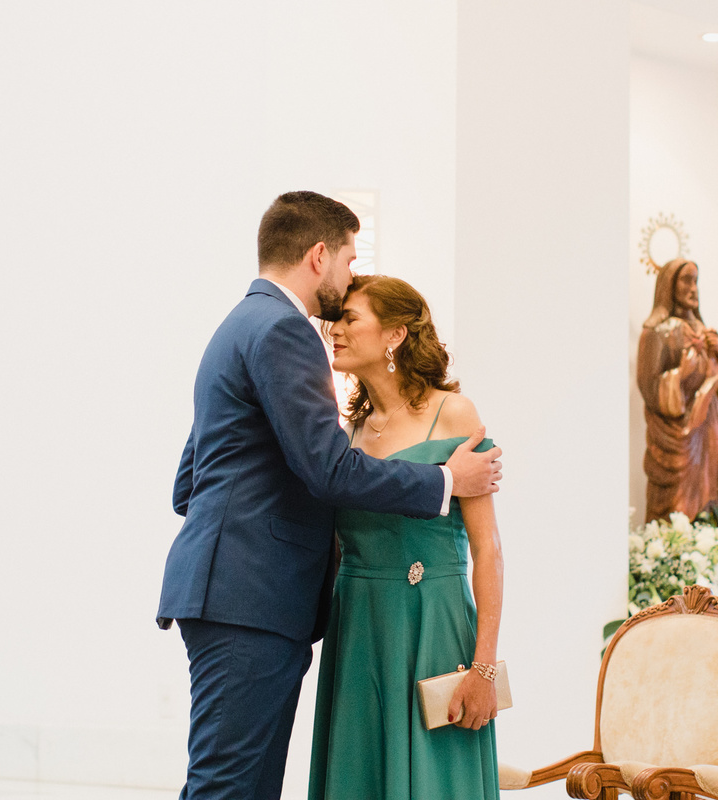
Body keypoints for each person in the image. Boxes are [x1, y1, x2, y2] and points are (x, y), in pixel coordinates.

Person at [157, 191, 503, 800]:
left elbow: (191, 481)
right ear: (319, 255)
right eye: (347, 260)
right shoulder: (283, 330)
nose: (341, 299)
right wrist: (446, 481)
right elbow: (328, 472)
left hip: (257, 597)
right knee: (227, 788)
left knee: (242, 787)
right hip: (253, 599)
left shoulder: (244, 323)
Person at [308, 275, 503, 800]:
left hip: (433, 625)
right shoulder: (345, 433)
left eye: (350, 319)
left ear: (395, 334)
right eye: (334, 320)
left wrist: (483, 668)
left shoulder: (453, 414)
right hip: (359, 630)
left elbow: (487, 549)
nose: (334, 330)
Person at [636, 257, 718, 523]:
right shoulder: (656, 332)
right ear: (669, 285)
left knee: (708, 495)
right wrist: (681, 375)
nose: (693, 289)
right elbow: (649, 387)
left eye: (696, 281)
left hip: (707, 427)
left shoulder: (702, 330)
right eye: (686, 281)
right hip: (677, 436)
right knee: (676, 507)